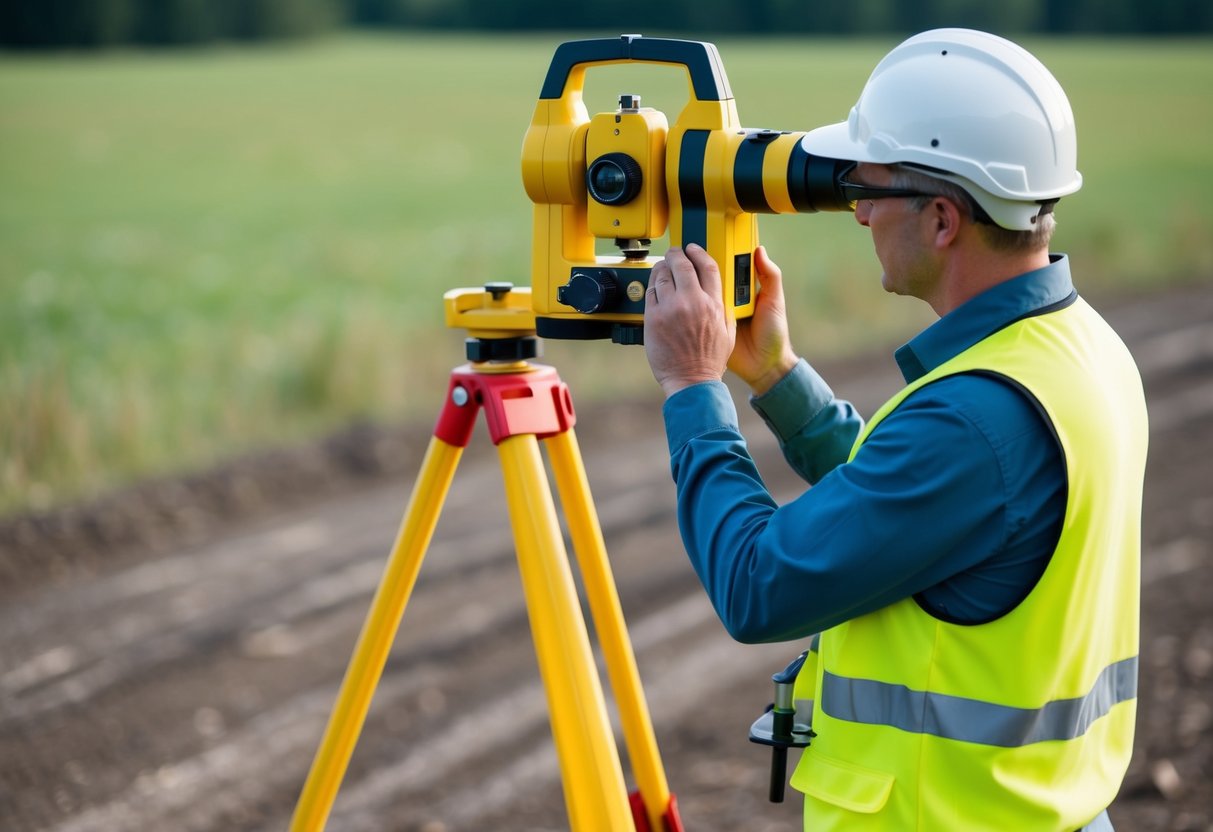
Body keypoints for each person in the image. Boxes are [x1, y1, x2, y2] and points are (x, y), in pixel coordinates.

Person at [642, 28, 1148, 831]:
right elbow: (923, 511)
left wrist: (693, 386)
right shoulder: (1075, 349)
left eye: (870, 189)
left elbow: (755, 586)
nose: (860, 213)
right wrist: (775, 378)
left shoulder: (975, 419)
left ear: (943, 219)